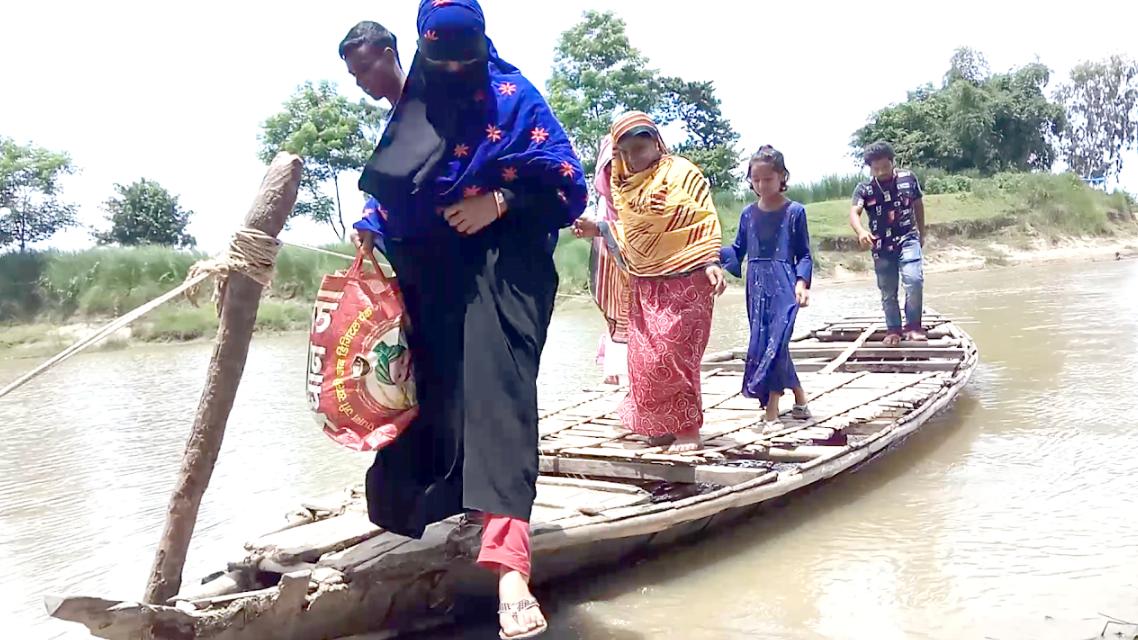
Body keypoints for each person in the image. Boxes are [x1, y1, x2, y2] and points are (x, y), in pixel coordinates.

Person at [353, 2, 587, 638]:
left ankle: (511, 567)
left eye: (466, 56)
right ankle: (433, 516)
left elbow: (568, 186)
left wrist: (501, 199)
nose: (455, 68)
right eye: (442, 58)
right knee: (432, 396)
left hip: (508, 267)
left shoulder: (514, 97)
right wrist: (372, 229)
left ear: (484, 46)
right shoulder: (419, 103)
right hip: (435, 271)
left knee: (499, 399)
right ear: (425, 52)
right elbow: (397, 185)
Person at [572, 112, 725, 453]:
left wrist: (712, 261)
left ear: (657, 143)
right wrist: (597, 228)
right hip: (645, 283)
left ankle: (687, 429)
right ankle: (661, 425)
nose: (631, 159)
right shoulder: (624, 187)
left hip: (687, 279)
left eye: (639, 149)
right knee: (644, 359)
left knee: (674, 356)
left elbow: (703, 219)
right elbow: (631, 233)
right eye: (623, 153)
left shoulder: (682, 173)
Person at [721, 146, 813, 425]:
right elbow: (737, 250)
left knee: (777, 341)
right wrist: (710, 257)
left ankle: (771, 412)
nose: (762, 185)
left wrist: (802, 282)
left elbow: (805, 254)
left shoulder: (795, 212)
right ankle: (800, 398)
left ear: (782, 176)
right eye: (756, 179)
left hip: (784, 285)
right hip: (756, 288)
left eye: (768, 179)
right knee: (771, 345)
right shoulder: (748, 214)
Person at [849, 141, 927, 345]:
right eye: (876, 169)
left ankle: (913, 327)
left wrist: (922, 232)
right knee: (887, 290)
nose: (882, 172)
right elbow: (854, 213)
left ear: (893, 162)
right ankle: (893, 329)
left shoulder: (908, 178)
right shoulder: (864, 189)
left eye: (885, 166)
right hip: (881, 245)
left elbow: (918, 204)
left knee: (914, 281)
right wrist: (861, 231)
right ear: (870, 168)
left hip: (908, 237)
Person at [339, 20, 406, 256]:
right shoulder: (390, 124)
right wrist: (370, 222)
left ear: (389, 56)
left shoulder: (430, 107)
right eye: (354, 74)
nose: (359, 82)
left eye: (365, 69)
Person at [589, 134, 630, 385]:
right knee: (618, 309)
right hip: (614, 266)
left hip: (651, 274)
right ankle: (620, 372)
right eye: (611, 164)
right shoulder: (604, 206)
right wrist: (602, 229)